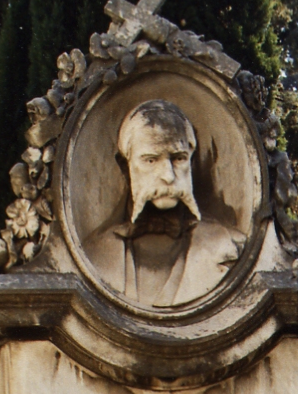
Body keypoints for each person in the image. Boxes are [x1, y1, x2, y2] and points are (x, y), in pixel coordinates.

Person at [83, 99, 245, 307]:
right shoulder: (93, 254)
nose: (168, 176)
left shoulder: (231, 247)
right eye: (151, 160)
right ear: (125, 167)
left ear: (191, 162)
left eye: (178, 159)